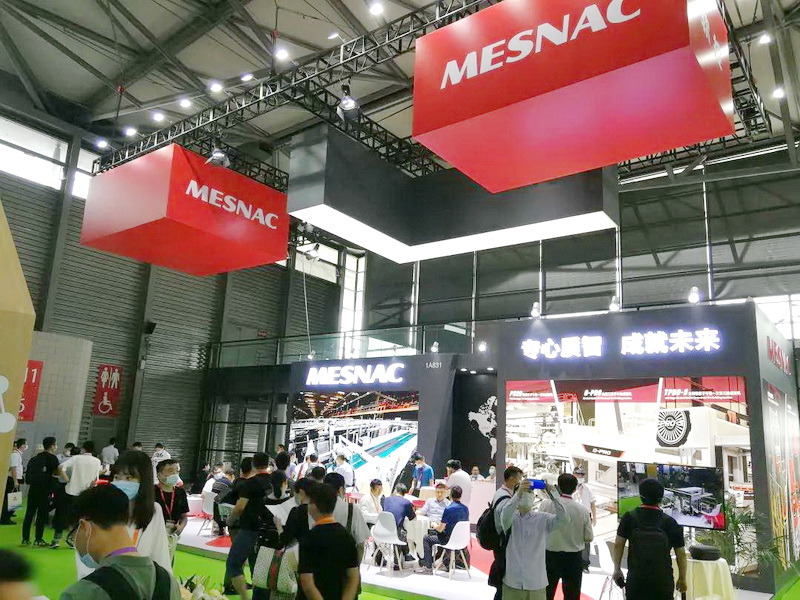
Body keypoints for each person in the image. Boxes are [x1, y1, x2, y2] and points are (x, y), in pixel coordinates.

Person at [60, 484, 181, 600]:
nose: (76, 543)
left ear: (84, 527)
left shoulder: (84, 592)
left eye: (73, 536)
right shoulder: (169, 583)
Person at [81, 450, 172, 579]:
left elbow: (160, 555)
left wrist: (166, 584)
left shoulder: (153, 511)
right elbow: (87, 556)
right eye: (116, 477)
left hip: (139, 583)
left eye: (128, 478)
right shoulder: (100, 509)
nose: (121, 483)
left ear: (143, 481)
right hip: (102, 581)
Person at [613, 478, 687, 600]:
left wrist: (617, 569)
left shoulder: (629, 517)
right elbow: (681, 554)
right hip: (662, 581)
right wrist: (682, 578)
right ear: (661, 498)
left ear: (641, 496)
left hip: (636, 580)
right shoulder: (670, 522)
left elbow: (618, 544)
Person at [499, 480, 568, 600]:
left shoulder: (543, 519)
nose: (526, 495)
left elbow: (564, 519)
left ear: (534, 497)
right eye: (523, 492)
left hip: (536, 583)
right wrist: (518, 494)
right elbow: (505, 514)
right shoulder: (510, 518)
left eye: (530, 492)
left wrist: (554, 495)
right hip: (512, 582)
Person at [298, 482, 360, 600]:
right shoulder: (347, 537)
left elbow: (307, 583)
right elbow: (353, 577)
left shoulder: (309, 538)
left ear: (314, 506)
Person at [226, 452, 272, 600]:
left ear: (253, 465)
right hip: (268, 531)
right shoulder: (273, 481)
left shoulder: (250, 483)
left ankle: (244, 597)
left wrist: (230, 520)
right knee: (259, 569)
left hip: (249, 529)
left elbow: (240, 507)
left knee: (233, 563)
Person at [539, 474, 593, 600]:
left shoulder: (545, 505)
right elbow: (589, 537)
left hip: (549, 556)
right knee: (572, 595)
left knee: (545, 594)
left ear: (558, 486)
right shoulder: (582, 510)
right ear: (575, 489)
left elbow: (539, 527)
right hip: (573, 558)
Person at [22, 437, 68, 547]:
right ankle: (38, 539)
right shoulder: (53, 458)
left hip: (34, 488)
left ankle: (25, 538)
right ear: (52, 446)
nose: (56, 446)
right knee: (42, 514)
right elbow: (56, 472)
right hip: (46, 489)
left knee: (29, 513)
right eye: (55, 444)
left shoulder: (36, 458)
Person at [489, 466, 524, 600]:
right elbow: (505, 523)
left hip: (501, 542)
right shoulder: (505, 499)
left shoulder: (502, 493)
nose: (520, 482)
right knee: (503, 582)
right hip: (503, 544)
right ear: (511, 479)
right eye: (519, 479)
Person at [416, 485, 469, 573]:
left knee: (426, 538)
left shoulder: (449, 508)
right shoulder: (466, 509)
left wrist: (434, 525)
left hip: (448, 539)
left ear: (449, 494)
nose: (440, 494)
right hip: (462, 540)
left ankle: (428, 566)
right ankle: (441, 562)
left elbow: (440, 529)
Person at [322, 472, 370, 560]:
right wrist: (356, 566)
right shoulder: (351, 509)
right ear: (341, 489)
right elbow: (360, 545)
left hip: (319, 562)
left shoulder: (314, 508)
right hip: (344, 562)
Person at [154, 460, 190, 561]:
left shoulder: (180, 492)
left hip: (172, 534)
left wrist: (180, 528)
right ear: (159, 475)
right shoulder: (151, 491)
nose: (175, 474)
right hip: (154, 533)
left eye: (177, 471)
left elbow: (184, 516)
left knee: (168, 561)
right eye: (170, 471)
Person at [276, 478, 314, 547]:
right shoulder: (318, 510)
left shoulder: (297, 511)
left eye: (295, 493)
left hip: (297, 551)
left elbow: (285, 539)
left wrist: (278, 525)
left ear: (301, 492)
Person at [573, 467, 596, 572]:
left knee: (586, 540)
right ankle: (574, 562)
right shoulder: (571, 488)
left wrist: (594, 518)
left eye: (582, 475)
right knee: (573, 539)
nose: (581, 476)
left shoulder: (587, 488)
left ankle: (585, 564)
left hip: (586, 515)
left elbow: (592, 503)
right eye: (579, 474)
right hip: (574, 516)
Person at [2, 438, 27, 525]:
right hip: (12, 480)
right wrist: (15, 481)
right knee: (12, 500)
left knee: (14, 500)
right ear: (22, 445)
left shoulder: (18, 454)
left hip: (14, 479)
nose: (26, 446)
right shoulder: (15, 455)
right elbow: (13, 468)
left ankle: (7, 516)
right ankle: (5, 518)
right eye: (25, 444)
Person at [211, 466, 235, 536]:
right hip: (222, 509)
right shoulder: (229, 484)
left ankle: (219, 529)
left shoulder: (216, 482)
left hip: (213, 508)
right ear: (232, 476)